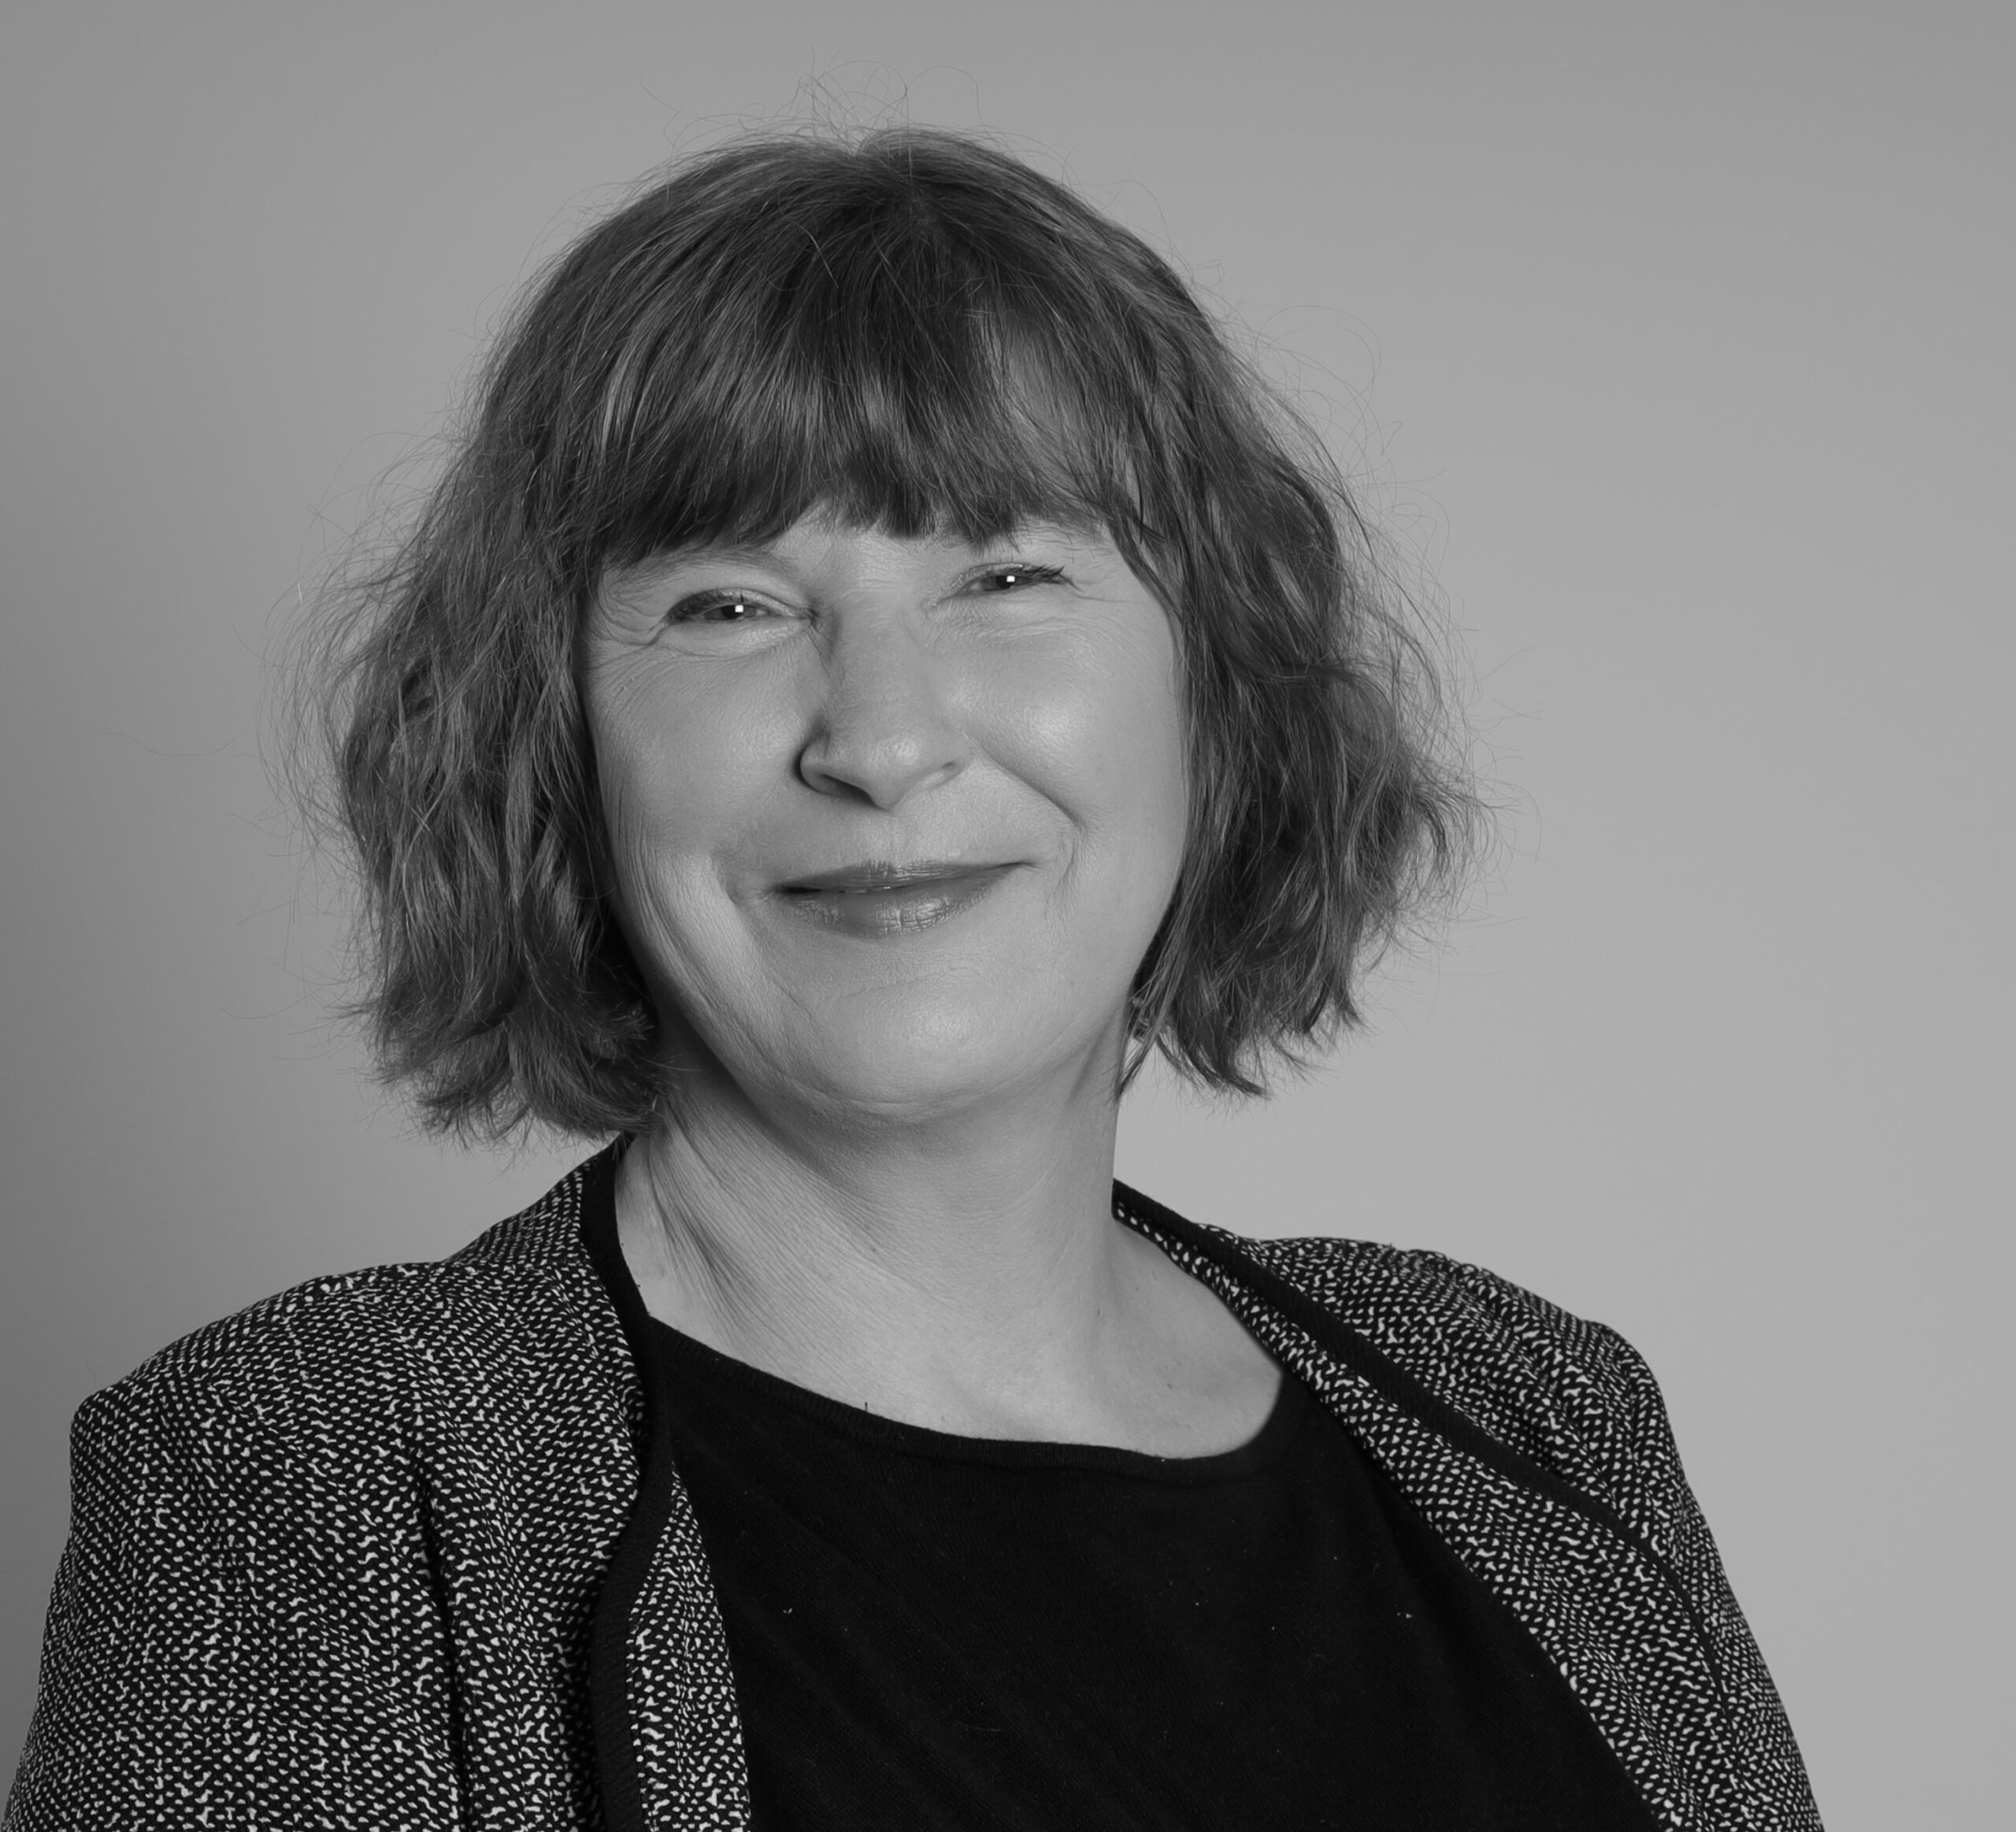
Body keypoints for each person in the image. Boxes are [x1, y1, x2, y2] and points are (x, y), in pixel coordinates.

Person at [3, 128, 1820, 1830]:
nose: (877, 739)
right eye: (728, 603)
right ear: (552, 736)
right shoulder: (320, 1478)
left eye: (1005, 573)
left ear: (1218, 692)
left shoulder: (1535, 1411)